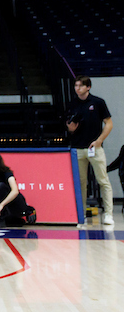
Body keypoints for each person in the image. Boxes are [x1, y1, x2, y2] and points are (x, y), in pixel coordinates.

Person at [66, 75, 114, 226]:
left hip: (94, 147)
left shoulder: (98, 102)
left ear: (88, 87)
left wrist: (100, 140)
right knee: (80, 183)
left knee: (103, 181)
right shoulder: (72, 104)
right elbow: (69, 127)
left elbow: (109, 123)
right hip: (77, 148)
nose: (77, 88)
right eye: (75, 86)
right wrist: (71, 125)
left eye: (80, 85)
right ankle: (81, 214)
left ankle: (108, 214)